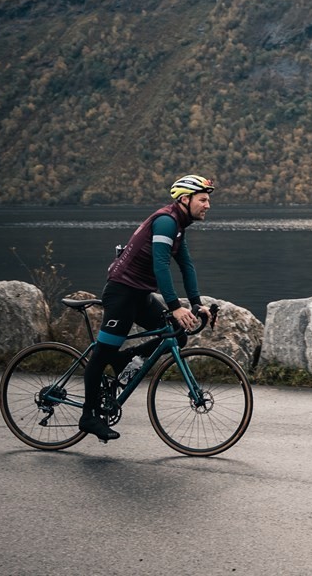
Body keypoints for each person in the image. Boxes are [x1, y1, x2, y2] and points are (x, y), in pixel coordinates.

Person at [80, 174, 218, 442]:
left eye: (208, 199)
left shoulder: (178, 226)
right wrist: (175, 306)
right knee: (102, 353)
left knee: (178, 333)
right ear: (185, 199)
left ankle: (123, 360)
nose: (208, 205)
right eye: (203, 199)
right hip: (121, 293)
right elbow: (160, 266)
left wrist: (197, 304)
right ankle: (88, 416)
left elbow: (187, 267)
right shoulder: (166, 222)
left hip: (140, 294)